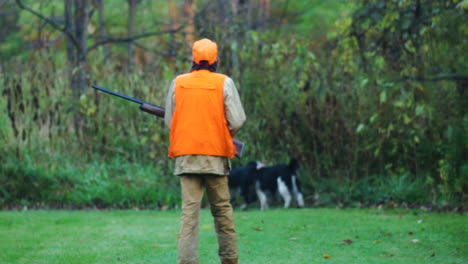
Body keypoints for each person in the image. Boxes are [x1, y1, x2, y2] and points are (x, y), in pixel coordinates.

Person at [164, 38, 246, 264]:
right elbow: (237, 119)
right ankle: (230, 260)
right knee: (222, 212)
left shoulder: (178, 82)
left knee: (189, 215)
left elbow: (170, 122)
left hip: (187, 158)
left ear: (193, 58)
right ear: (215, 59)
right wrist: (221, 131)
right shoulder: (225, 82)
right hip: (215, 158)